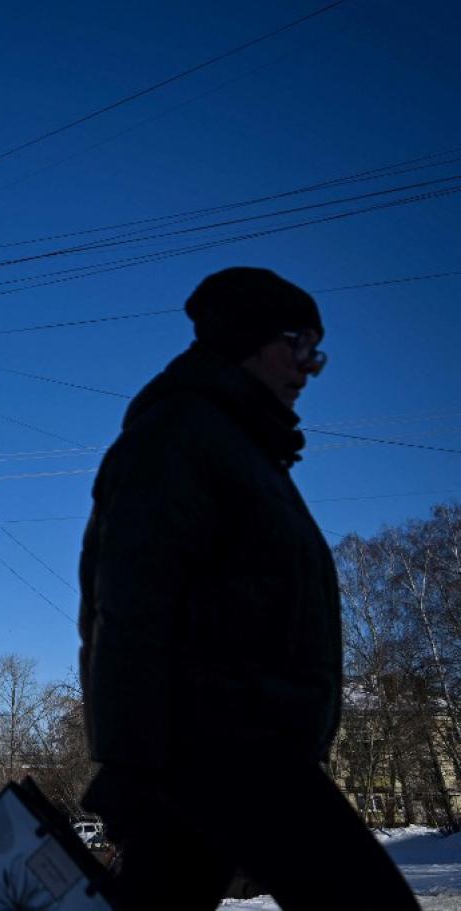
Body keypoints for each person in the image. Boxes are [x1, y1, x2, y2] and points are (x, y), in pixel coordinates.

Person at [77, 267, 419, 910]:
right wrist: (129, 762)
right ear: (249, 341)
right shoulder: (180, 438)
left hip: (225, 750)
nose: (311, 366)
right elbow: (129, 605)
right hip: (226, 747)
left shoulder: (240, 446)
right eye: (301, 344)